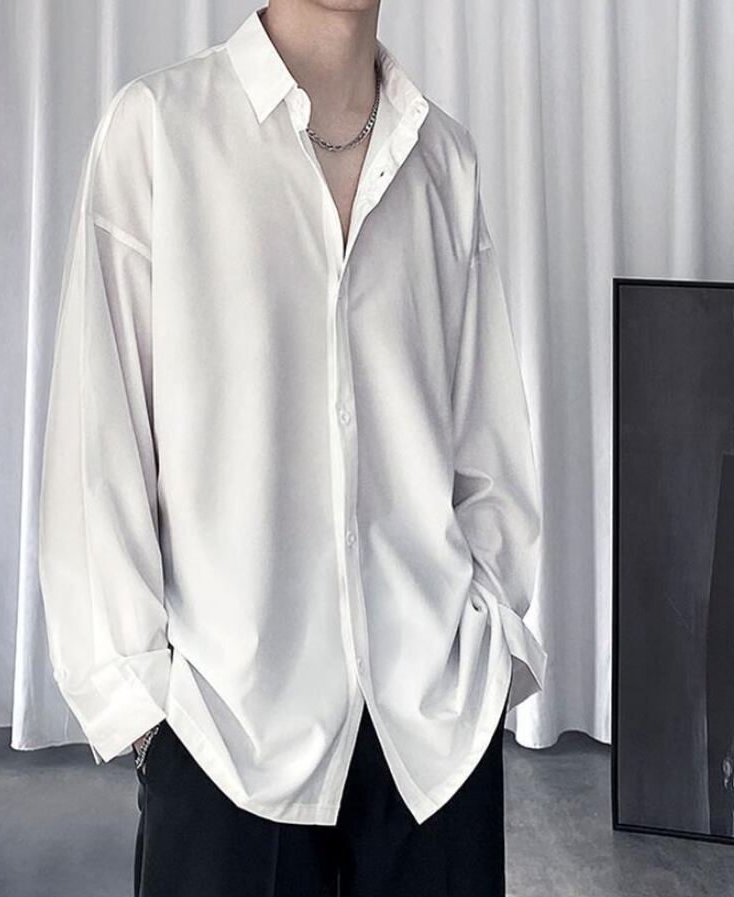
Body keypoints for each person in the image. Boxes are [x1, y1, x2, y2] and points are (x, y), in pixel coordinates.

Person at [38, 2, 548, 895]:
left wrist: (490, 644)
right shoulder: (158, 133)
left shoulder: (444, 160)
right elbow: (98, 450)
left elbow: (488, 441)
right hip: (226, 736)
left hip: (432, 735)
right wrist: (148, 718)